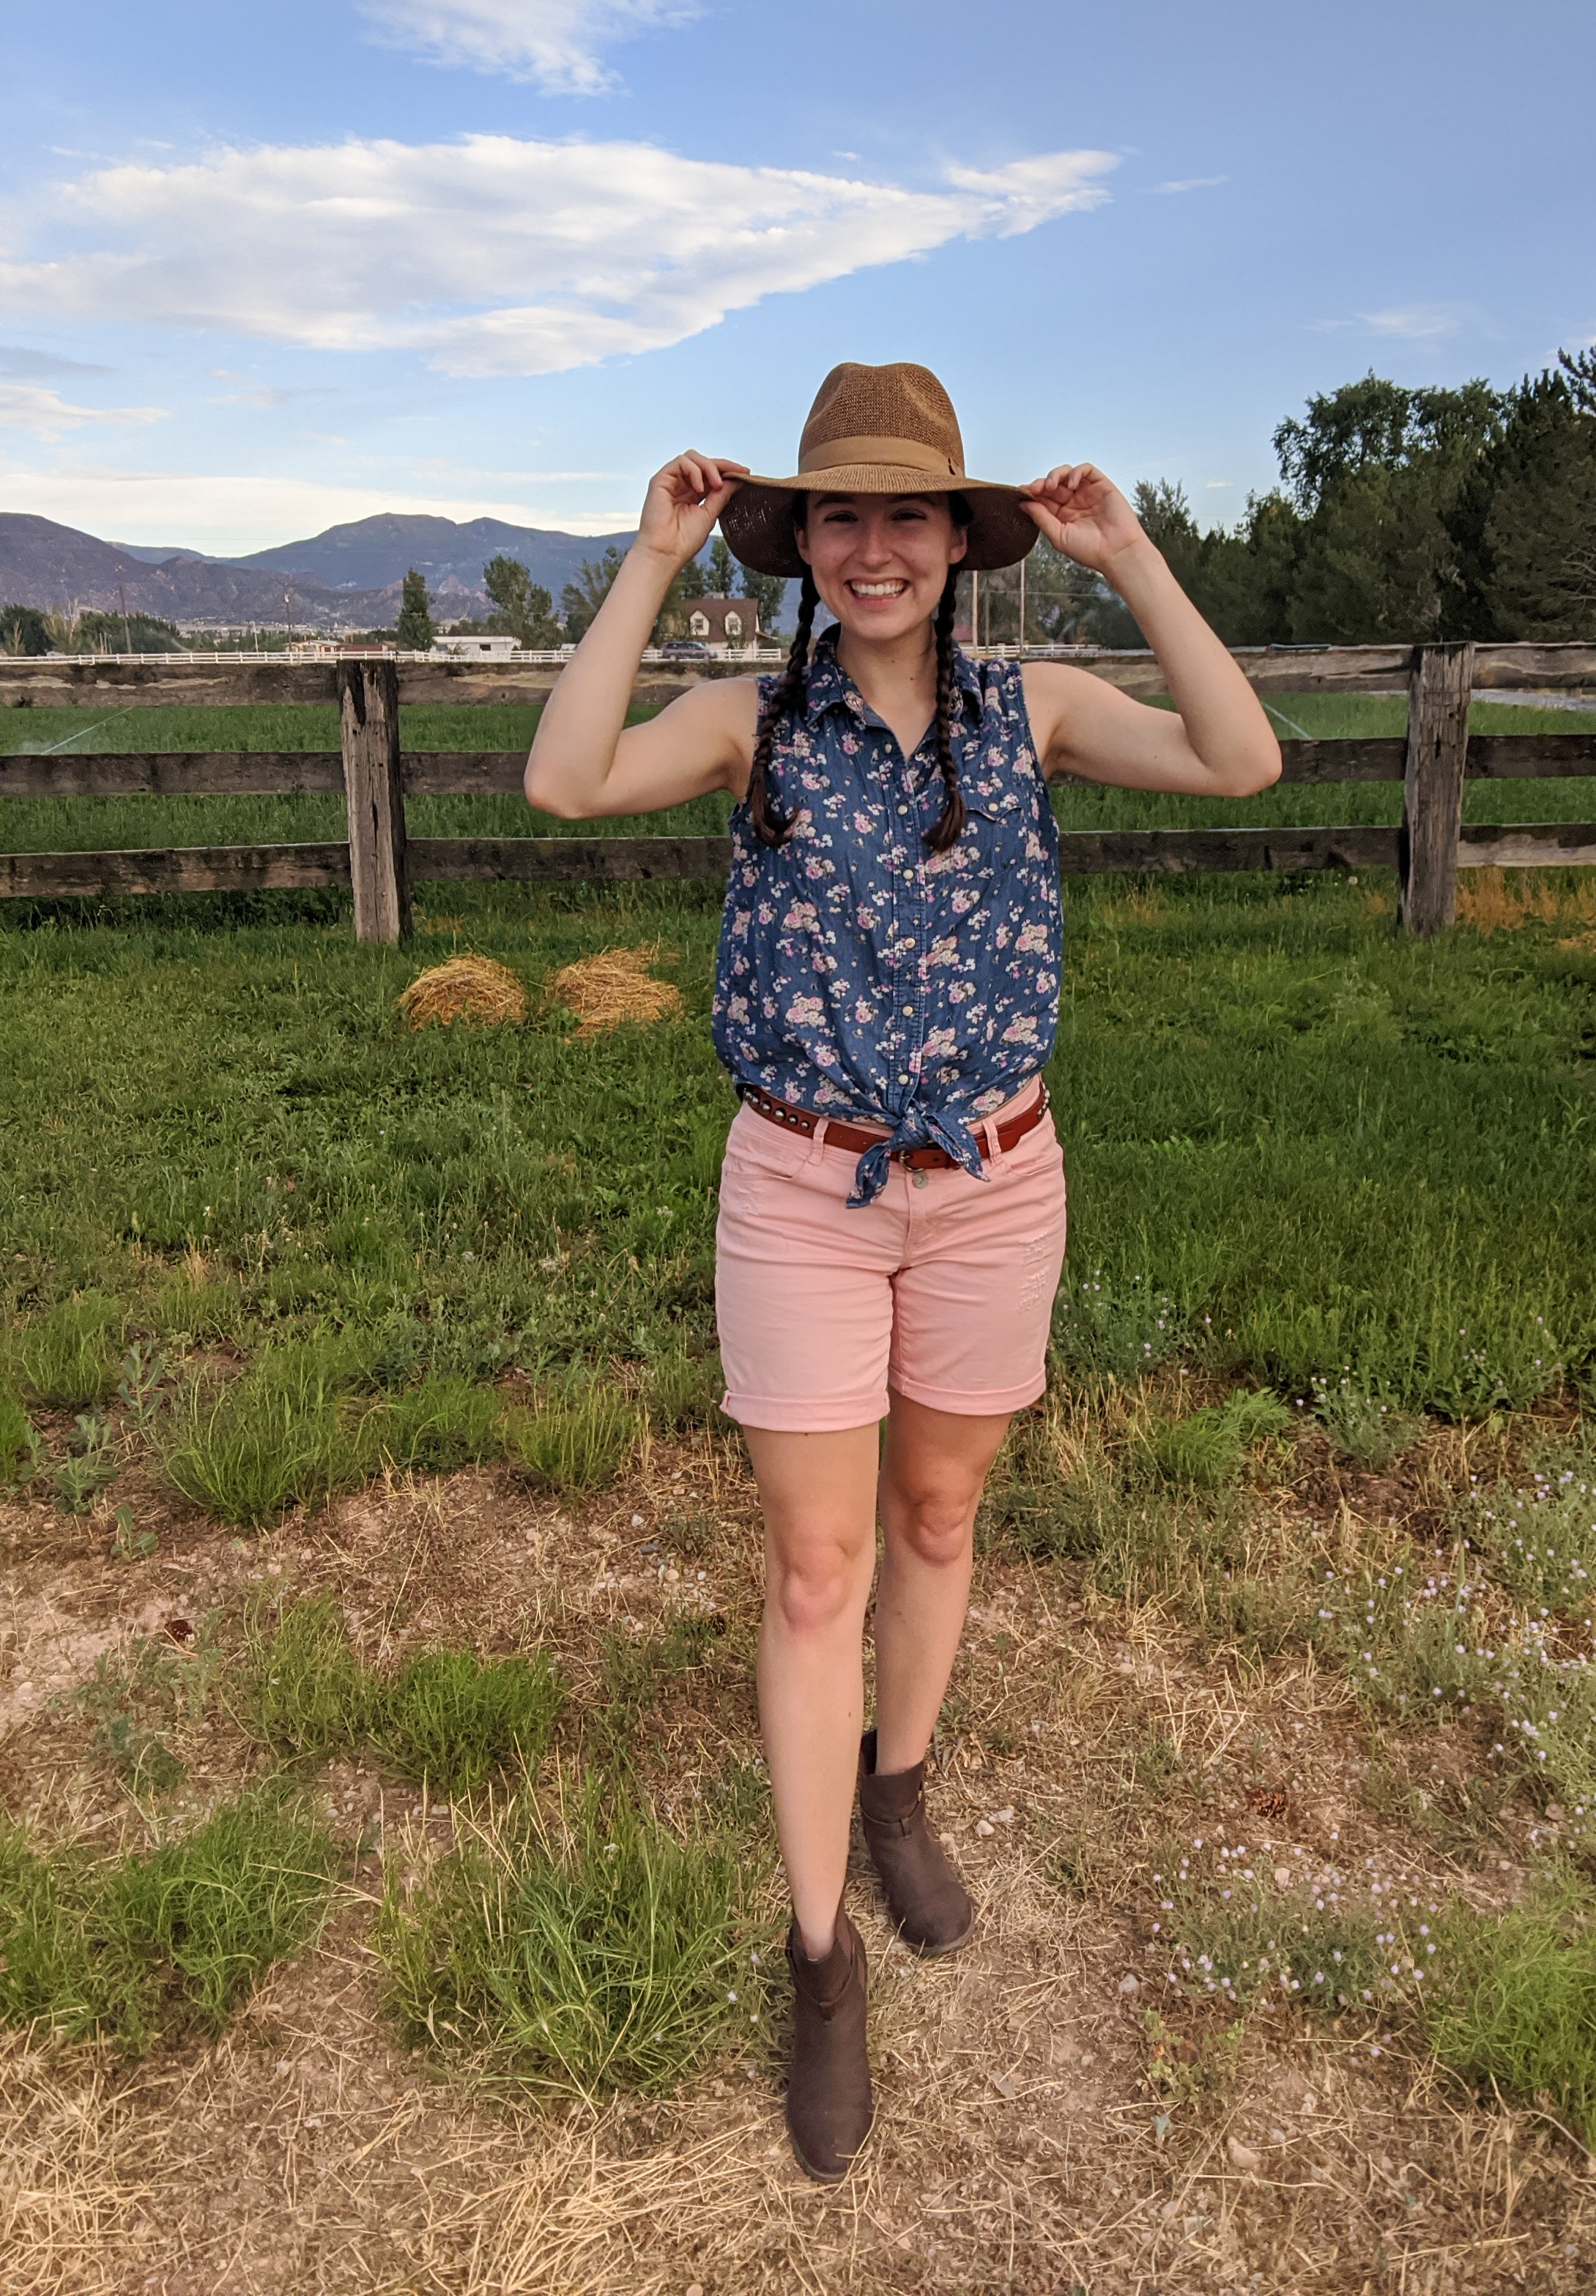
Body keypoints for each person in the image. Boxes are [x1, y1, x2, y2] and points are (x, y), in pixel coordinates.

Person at [524, 360, 1282, 2180]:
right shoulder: (745, 723)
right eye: (841, 517)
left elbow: (1245, 758)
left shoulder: (1037, 711)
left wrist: (1135, 555)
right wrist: (647, 558)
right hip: (798, 1188)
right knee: (815, 1565)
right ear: (805, 546)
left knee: (938, 1522)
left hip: (996, 1183)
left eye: (910, 515)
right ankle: (819, 1958)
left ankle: (902, 1787)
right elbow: (561, 781)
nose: (876, 548)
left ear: (961, 541)